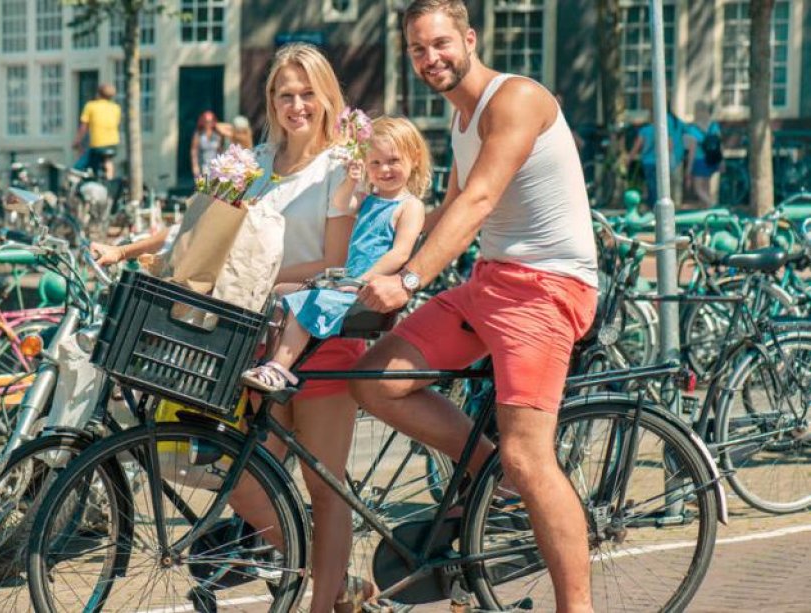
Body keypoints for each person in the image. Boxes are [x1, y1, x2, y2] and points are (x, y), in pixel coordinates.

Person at [90, 43, 370, 612]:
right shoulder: (256, 161)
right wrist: (126, 248)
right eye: (285, 94)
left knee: (325, 485)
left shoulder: (341, 166)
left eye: (307, 94)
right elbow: (199, 230)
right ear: (270, 99)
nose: (297, 105)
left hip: (318, 337)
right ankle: (333, 578)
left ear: (326, 98)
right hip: (252, 340)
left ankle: (326, 598)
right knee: (237, 476)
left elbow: (334, 264)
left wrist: (260, 279)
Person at [352, 2, 598, 612]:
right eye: (417, 49)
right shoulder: (462, 121)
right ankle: (491, 478)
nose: (429, 58)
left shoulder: (515, 100)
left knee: (528, 454)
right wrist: (361, 271)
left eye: (439, 44)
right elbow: (444, 214)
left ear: (468, 38)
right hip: (490, 284)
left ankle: (578, 607)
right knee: (376, 380)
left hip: (547, 288)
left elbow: (479, 201)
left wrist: (408, 282)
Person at [242, 116, 427, 391]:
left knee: (306, 301)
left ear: (414, 158)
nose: (384, 169)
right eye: (374, 163)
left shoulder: (409, 206)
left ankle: (280, 370)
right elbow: (342, 203)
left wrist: (362, 279)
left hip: (366, 288)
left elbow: (400, 254)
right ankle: (268, 361)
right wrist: (351, 181)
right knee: (281, 292)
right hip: (347, 283)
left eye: (393, 161)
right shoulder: (370, 200)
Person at [628, 102, 688, 209]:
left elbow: (636, 147)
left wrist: (629, 159)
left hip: (648, 162)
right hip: (661, 162)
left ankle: (653, 207)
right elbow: (670, 145)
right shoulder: (664, 129)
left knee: (651, 186)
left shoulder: (645, 130)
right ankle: (662, 207)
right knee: (662, 186)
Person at [72, 83, 121, 180]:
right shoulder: (116, 108)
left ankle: (72, 185)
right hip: (113, 144)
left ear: (98, 94)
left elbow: (84, 127)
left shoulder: (90, 106)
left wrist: (77, 142)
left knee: (78, 167)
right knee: (107, 160)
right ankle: (109, 180)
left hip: (98, 144)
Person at [686, 100, 722, 207]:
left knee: (698, 189)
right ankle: (707, 212)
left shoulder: (692, 129)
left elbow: (692, 151)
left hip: (699, 160)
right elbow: (719, 144)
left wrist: (688, 169)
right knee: (706, 188)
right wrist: (721, 161)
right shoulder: (714, 126)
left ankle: (713, 206)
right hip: (712, 159)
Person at [189, 110, 225, 178]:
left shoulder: (217, 134)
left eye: (211, 121)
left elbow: (220, 150)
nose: (209, 123)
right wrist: (195, 166)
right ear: (203, 122)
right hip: (203, 165)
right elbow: (194, 151)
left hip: (215, 166)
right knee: (205, 186)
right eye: (207, 121)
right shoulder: (198, 134)